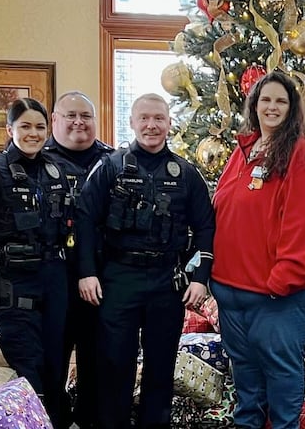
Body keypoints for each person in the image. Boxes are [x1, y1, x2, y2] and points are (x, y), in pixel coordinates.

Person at [74, 93, 214, 429]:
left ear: (169, 123)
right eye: (144, 118)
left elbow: (207, 225)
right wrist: (87, 273)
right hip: (118, 278)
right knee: (114, 365)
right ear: (132, 122)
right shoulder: (111, 167)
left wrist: (200, 278)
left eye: (158, 118)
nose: (151, 125)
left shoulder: (186, 173)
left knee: (160, 365)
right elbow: (84, 218)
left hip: (167, 280)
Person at [211, 71, 305, 429]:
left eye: (281, 100)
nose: (272, 107)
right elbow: (224, 208)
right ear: (254, 105)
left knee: (281, 376)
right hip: (232, 288)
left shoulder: (304, 156)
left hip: (279, 293)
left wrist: (281, 281)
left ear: (292, 107)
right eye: (265, 99)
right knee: (247, 381)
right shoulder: (244, 150)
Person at [0, 98, 71, 428]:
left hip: (53, 279)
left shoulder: (56, 168)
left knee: (55, 365)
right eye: (25, 126)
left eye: (39, 126)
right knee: (29, 366)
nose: (34, 133)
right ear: (10, 130)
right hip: (10, 284)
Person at [42, 91, 113, 428]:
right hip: (51, 280)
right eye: (70, 115)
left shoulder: (114, 162)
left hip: (102, 279)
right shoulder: (35, 162)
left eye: (86, 115)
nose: (78, 122)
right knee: (51, 364)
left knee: (98, 365)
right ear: (54, 120)